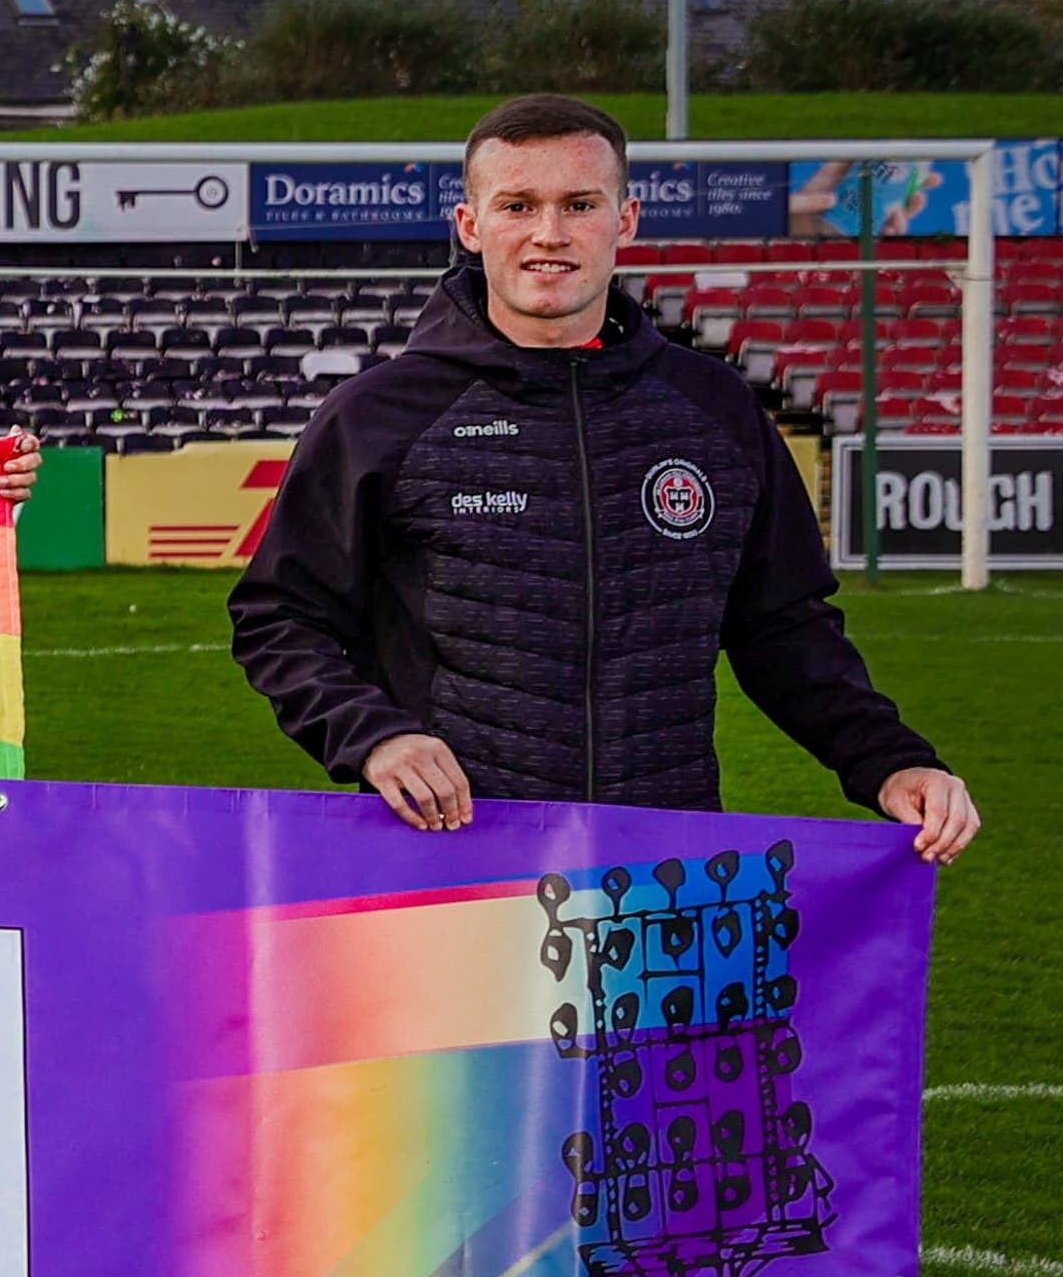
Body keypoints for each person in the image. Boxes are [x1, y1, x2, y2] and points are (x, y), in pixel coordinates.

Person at [231, 93, 976, 862]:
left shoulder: (714, 409)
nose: (548, 234)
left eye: (579, 204)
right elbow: (279, 615)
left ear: (625, 220)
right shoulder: (378, 413)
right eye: (518, 204)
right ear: (471, 225)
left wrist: (891, 759)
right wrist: (375, 737)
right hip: (451, 860)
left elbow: (784, 626)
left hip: (663, 867)